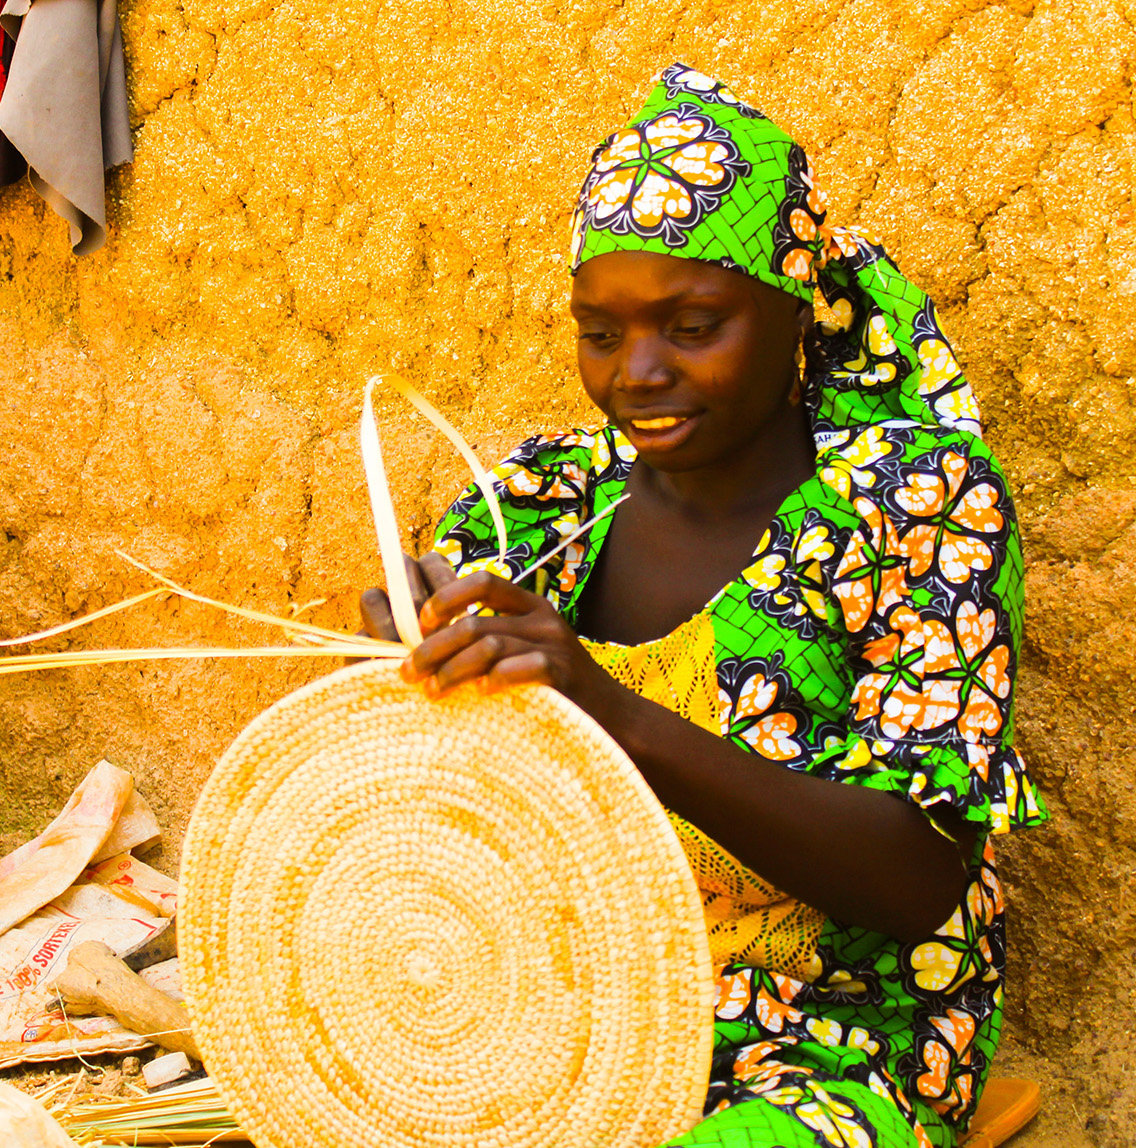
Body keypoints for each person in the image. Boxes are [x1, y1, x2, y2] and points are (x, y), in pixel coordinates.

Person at [359, 63, 1048, 1148]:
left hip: (833, 1032)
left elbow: (915, 878)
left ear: (796, 311)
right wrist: (413, 639)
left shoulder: (914, 504)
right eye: (601, 330)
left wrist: (607, 704)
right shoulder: (556, 496)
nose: (637, 371)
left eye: (691, 326)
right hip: (578, 990)